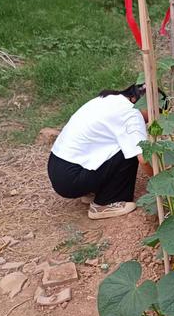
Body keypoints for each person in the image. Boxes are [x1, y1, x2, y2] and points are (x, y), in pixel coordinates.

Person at [47, 84, 153, 220]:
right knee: (131, 149)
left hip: (59, 168)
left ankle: (93, 189)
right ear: (138, 101)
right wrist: (164, 181)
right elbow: (143, 159)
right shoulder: (132, 113)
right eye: (154, 112)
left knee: (121, 143)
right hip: (71, 178)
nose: (150, 119)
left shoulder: (109, 99)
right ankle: (106, 203)